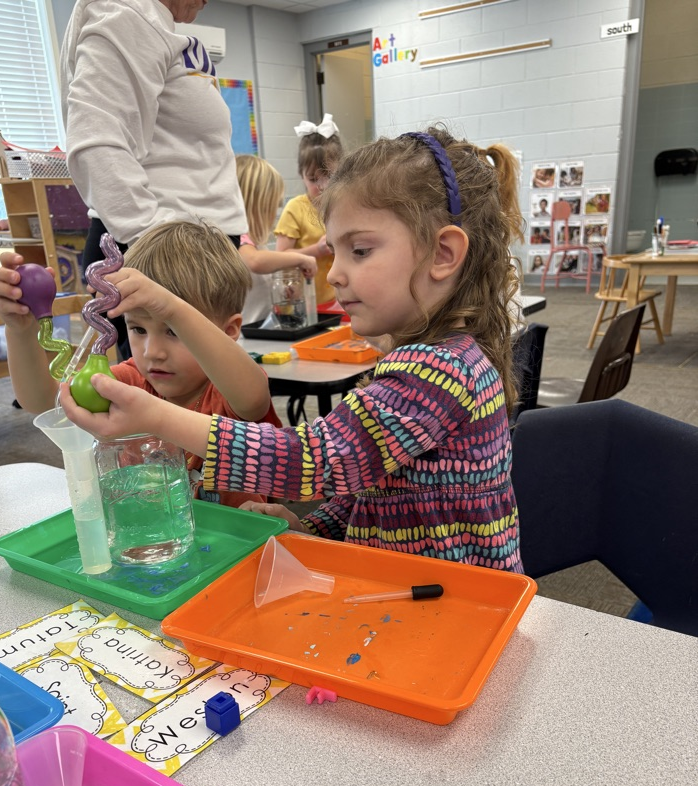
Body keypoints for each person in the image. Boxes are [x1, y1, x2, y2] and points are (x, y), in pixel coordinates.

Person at [60, 126, 525, 572]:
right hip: (413, 589)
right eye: (336, 252)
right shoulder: (427, 360)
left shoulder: (439, 371)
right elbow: (373, 486)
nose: (336, 273)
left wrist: (156, 417)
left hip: (455, 607)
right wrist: (312, 526)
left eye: (359, 251)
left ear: (443, 254)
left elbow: (312, 461)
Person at [0, 220, 281, 508]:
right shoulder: (129, 382)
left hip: (241, 545)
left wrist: (171, 307)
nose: (153, 352)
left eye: (174, 331)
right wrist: (20, 330)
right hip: (154, 546)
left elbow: (253, 398)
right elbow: (45, 402)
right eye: (138, 330)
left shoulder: (227, 389)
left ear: (228, 332)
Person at [59, 0, 247, 359]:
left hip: (184, 244)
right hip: (167, 247)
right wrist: (158, 257)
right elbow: (95, 143)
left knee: (200, 401)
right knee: (167, 397)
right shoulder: (126, 14)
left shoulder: (150, 23)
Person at [235, 154, 317, 324]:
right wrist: (300, 259)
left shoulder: (257, 245)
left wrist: (284, 291)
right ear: (258, 205)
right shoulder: (237, 238)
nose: (274, 215)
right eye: (273, 206)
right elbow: (255, 262)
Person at [274, 114, 343, 308]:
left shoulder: (343, 207)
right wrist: (316, 251)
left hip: (338, 301)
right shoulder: (295, 209)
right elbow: (279, 259)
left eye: (329, 176)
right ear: (301, 176)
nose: (322, 186)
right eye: (313, 179)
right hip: (306, 304)